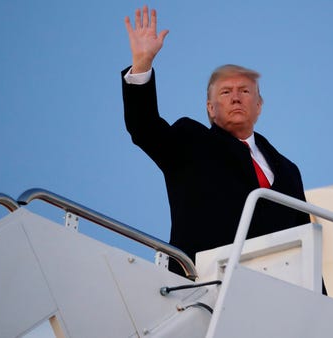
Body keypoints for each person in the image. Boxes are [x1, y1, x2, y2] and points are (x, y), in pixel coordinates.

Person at [122, 5, 310, 276]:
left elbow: (304, 241)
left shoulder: (289, 171)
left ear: (259, 105)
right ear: (210, 108)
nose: (235, 98)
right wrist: (142, 64)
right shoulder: (191, 141)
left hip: (274, 293)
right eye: (225, 92)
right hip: (201, 287)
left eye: (244, 91)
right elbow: (144, 128)